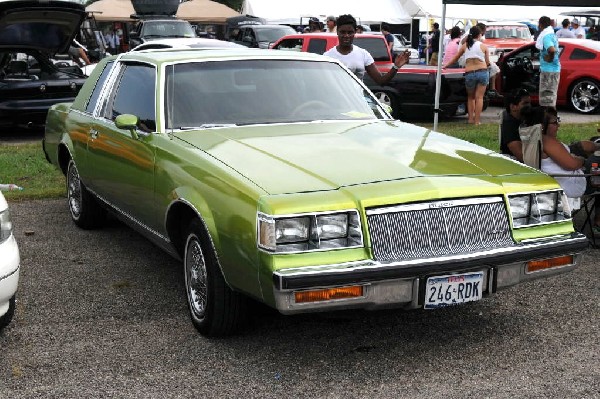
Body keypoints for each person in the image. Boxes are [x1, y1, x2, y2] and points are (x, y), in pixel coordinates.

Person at [323, 14, 410, 84]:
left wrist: (395, 67)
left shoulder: (363, 54)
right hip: (335, 104)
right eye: (343, 32)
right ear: (337, 31)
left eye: (350, 32)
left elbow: (381, 81)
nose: (346, 36)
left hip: (357, 103)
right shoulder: (327, 57)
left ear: (355, 32)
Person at [443, 26, 490, 125]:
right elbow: (488, 62)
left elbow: (455, 58)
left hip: (470, 73)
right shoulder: (484, 46)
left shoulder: (465, 45)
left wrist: (445, 65)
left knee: (471, 98)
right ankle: (477, 121)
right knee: (479, 98)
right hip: (482, 72)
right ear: (479, 35)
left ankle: (470, 119)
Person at [500, 88, 532, 162]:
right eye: (525, 103)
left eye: (530, 103)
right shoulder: (509, 125)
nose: (529, 106)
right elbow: (521, 156)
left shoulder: (523, 120)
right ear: (513, 107)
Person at [536, 16, 560, 108]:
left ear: (540, 24)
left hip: (548, 71)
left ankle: (548, 120)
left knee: (546, 100)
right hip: (554, 70)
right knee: (551, 97)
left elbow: (552, 50)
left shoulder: (546, 37)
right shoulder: (552, 34)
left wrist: (549, 58)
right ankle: (552, 119)